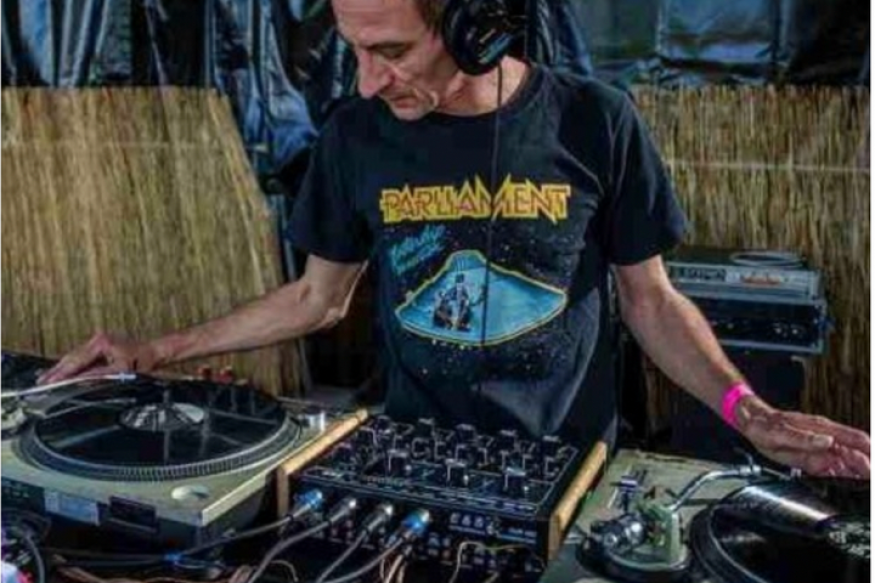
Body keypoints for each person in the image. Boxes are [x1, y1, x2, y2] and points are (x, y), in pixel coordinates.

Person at [39, 0, 869, 479]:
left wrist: (747, 411)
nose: (368, 80)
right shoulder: (355, 135)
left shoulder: (594, 121)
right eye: (353, 50)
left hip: (572, 467)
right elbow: (315, 298)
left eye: (392, 51)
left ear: (477, 27)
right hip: (414, 456)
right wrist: (156, 349)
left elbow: (649, 300)